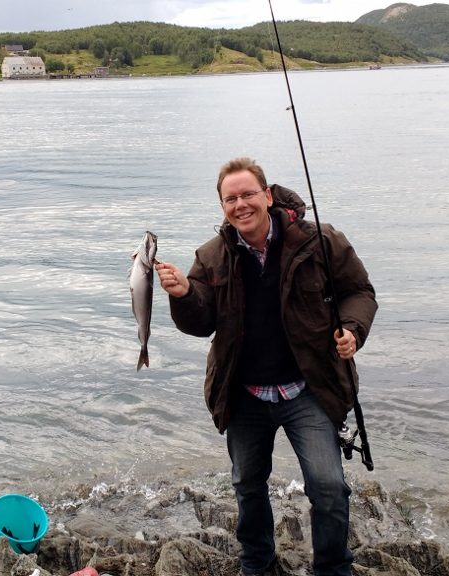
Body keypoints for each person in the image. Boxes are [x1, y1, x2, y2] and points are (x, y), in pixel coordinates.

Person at [154, 158, 377, 576]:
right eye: (231, 199)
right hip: (245, 395)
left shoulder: (321, 241)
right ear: (222, 206)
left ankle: (333, 568)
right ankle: (257, 563)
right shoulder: (211, 256)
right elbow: (200, 323)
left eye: (248, 194)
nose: (241, 205)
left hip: (308, 390)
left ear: (268, 196)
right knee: (246, 483)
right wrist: (183, 294)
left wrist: (351, 329)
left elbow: (360, 291)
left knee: (329, 486)